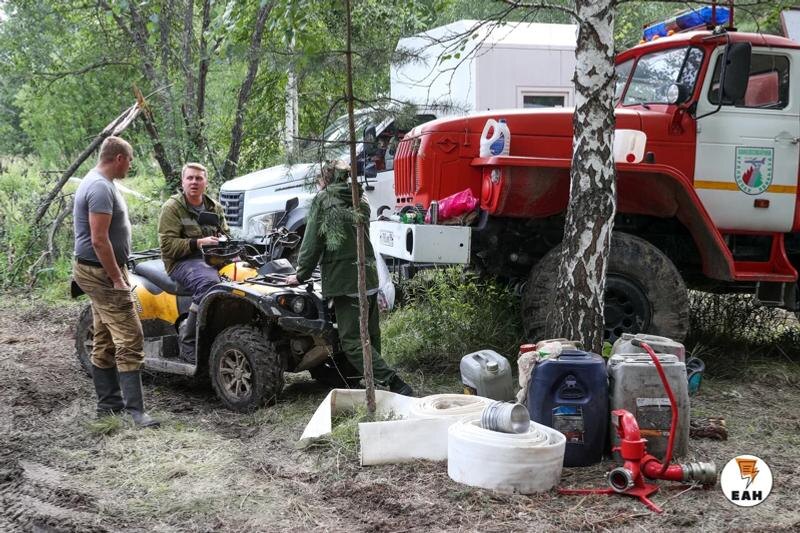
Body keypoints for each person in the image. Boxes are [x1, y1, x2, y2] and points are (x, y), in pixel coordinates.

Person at [286, 160, 413, 396]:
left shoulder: (322, 201)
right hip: (369, 275)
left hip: (345, 280)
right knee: (371, 334)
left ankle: (393, 382)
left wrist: (301, 274)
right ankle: (363, 380)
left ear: (324, 179)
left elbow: (312, 242)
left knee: (352, 341)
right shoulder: (360, 197)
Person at [72, 136, 160, 428]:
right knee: (131, 335)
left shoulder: (99, 182)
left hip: (100, 269)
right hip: (101, 272)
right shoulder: (98, 187)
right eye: (130, 160)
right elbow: (98, 240)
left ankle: (108, 406)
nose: (131, 166)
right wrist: (116, 278)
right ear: (119, 158)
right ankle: (135, 412)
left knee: (105, 336)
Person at [158, 163, 229, 363]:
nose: (194, 182)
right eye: (190, 178)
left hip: (212, 258)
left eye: (199, 178)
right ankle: (188, 342)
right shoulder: (172, 208)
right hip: (182, 261)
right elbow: (167, 246)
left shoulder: (214, 207)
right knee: (208, 284)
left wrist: (228, 246)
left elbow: (225, 234)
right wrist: (198, 243)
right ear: (183, 181)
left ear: (206, 182)